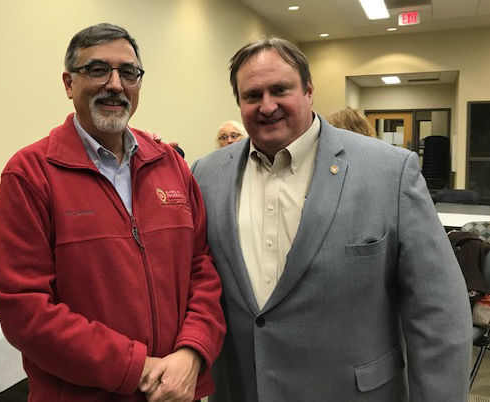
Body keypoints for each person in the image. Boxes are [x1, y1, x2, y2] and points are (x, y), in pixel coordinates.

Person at [191, 36, 472, 401]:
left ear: (309, 90)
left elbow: (439, 313)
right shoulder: (206, 175)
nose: (267, 105)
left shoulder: (390, 171)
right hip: (243, 390)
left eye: (280, 89)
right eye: (252, 95)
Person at [0, 23, 225, 402]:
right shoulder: (30, 174)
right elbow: (24, 307)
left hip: (177, 390)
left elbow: (202, 269)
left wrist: (192, 352)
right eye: (98, 70)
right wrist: (136, 367)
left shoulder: (170, 165)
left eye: (128, 72)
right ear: (69, 83)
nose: (115, 84)